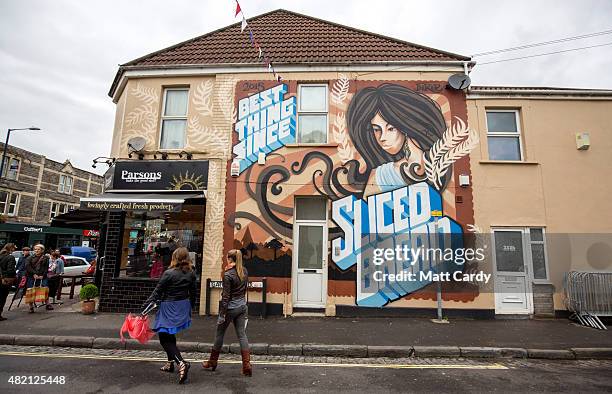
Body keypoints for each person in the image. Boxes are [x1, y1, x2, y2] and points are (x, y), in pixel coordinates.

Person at [346, 83, 449, 196]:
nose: (382, 138)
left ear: (405, 127)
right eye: (376, 129)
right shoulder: (381, 175)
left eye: (391, 129)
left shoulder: (440, 165)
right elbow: (365, 212)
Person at [143, 247, 196, 385]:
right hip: (183, 305)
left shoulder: (168, 273)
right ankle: (169, 364)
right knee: (169, 334)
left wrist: (145, 306)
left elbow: (157, 292)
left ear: (175, 258)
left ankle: (181, 363)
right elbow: (193, 293)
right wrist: (191, 307)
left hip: (169, 306)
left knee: (164, 338)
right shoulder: (191, 273)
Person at [202, 249, 251, 376]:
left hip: (230, 308)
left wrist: (222, 314)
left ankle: (212, 361)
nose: (226, 259)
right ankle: (247, 365)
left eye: (227, 257)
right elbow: (244, 289)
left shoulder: (228, 275)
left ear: (230, 259)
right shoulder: (244, 271)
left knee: (219, 334)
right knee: (242, 335)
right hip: (242, 306)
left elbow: (226, 297)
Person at [25, 244, 51, 312]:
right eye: (35, 249)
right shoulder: (29, 258)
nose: (36, 250)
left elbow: (46, 268)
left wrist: (43, 275)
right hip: (32, 276)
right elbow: (28, 267)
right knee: (31, 290)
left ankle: (47, 304)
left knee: (45, 289)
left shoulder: (46, 258)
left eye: (38, 249)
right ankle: (31, 307)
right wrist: (34, 274)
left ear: (42, 250)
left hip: (42, 276)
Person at [0, 243, 17, 321]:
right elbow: (10, 270)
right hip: (6, 280)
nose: (15, 249)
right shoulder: (10, 257)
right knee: (2, 297)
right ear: (11, 248)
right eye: (14, 248)